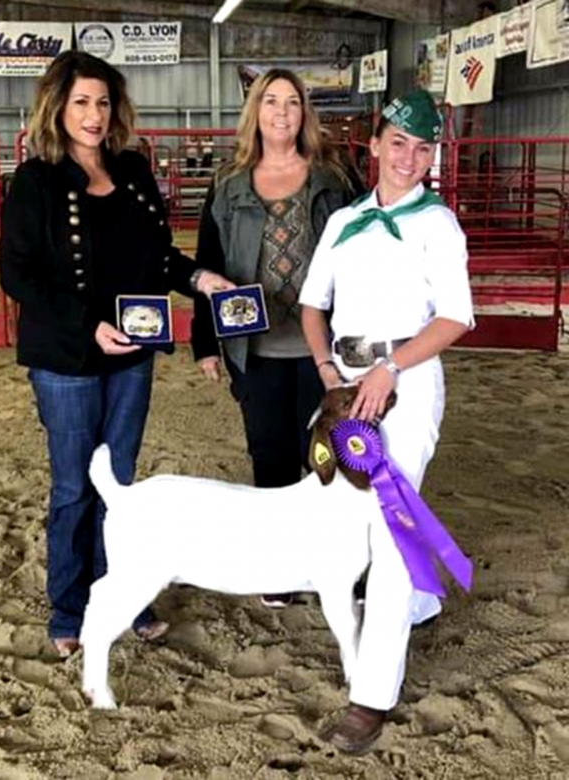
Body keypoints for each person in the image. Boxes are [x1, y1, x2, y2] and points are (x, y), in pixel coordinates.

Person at [0, 50, 232, 659]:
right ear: (58, 106)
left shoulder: (132, 170)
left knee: (120, 485)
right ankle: (69, 605)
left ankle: (122, 594)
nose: (94, 114)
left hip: (132, 357)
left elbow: (159, 256)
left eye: (103, 102)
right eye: (82, 102)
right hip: (68, 360)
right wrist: (89, 325)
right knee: (75, 487)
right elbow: (18, 275)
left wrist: (200, 279)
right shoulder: (36, 180)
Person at [299, 89, 474, 753]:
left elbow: (455, 317)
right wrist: (325, 370)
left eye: (423, 148)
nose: (409, 158)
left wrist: (391, 368)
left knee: (393, 521)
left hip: (405, 382)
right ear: (373, 145)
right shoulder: (345, 219)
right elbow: (314, 305)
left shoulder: (439, 224)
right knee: (344, 509)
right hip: (344, 386)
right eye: (398, 143)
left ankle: (372, 696)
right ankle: (421, 604)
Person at [190, 68, 358, 607]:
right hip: (253, 349)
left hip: (323, 348)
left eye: (292, 102)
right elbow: (208, 264)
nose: (282, 112)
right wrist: (204, 342)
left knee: (329, 455)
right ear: (255, 111)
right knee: (269, 454)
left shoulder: (334, 177)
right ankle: (280, 567)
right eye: (271, 102)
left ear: (304, 112)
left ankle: (340, 564)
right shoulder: (227, 182)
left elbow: (361, 253)